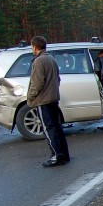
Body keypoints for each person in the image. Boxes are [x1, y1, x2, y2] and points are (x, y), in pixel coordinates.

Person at [27, 36, 70, 167]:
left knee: (48, 128)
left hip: (43, 100)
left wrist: (31, 97)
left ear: (34, 47)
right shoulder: (51, 59)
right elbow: (58, 79)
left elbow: (37, 83)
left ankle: (56, 156)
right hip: (53, 98)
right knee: (57, 127)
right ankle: (64, 155)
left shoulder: (39, 61)